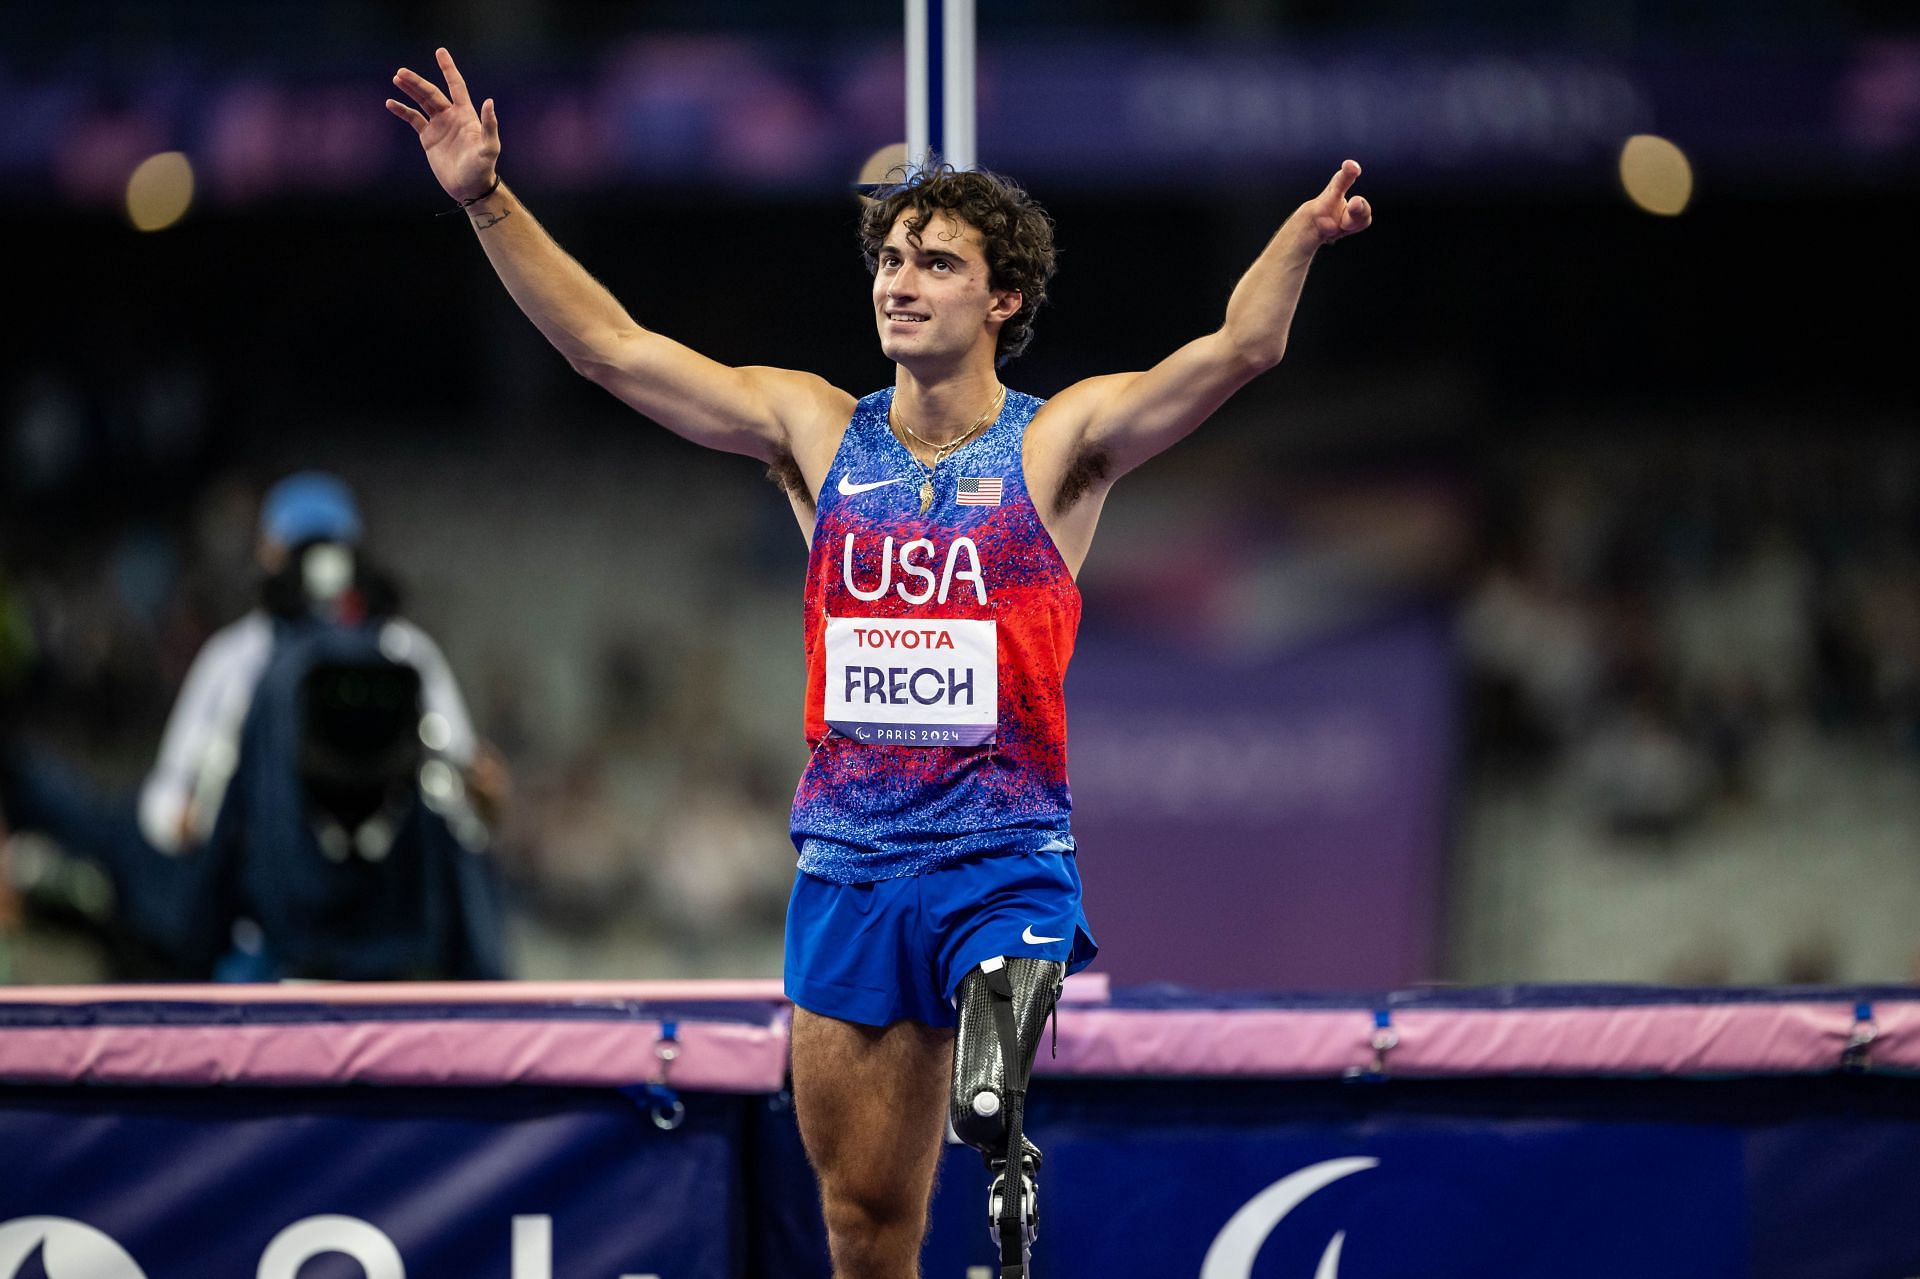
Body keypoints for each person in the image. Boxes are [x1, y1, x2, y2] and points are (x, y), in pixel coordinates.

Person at [389, 46, 1370, 1278]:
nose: (900, 283)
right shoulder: (812, 429)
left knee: (996, 1013)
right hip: (850, 868)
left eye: (938, 263)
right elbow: (612, 349)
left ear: (1003, 298)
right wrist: (488, 199)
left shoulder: (1057, 443)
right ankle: (982, 1119)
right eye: (891, 260)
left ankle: (1002, 1074)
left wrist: (1298, 238)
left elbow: (1237, 350)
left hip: (1000, 855)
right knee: (863, 1226)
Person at [0, 471, 509, 979]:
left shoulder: (404, 655)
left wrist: (485, 796)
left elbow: (462, 804)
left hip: (389, 919)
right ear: (269, 555)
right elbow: (169, 798)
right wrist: (196, 822)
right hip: (267, 932)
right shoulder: (236, 661)